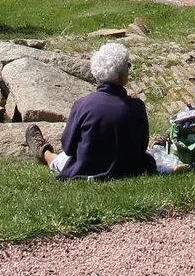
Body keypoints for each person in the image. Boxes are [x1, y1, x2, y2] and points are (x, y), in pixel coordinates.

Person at [26, 42, 162, 180]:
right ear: (122, 76)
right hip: (128, 168)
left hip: (87, 168)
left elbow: (68, 147)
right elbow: (142, 146)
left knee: (60, 159)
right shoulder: (137, 106)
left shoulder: (83, 105)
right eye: (128, 66)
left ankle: (44, 153)